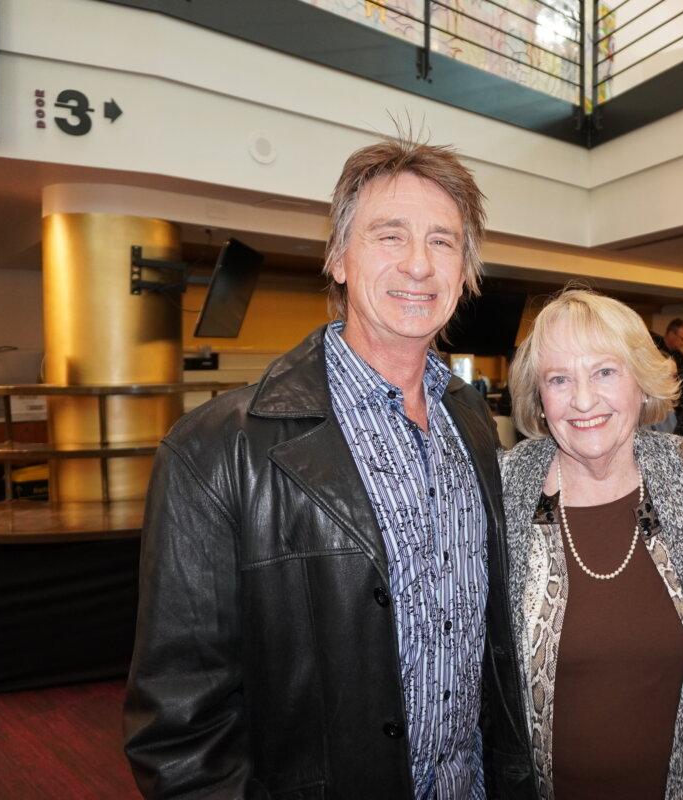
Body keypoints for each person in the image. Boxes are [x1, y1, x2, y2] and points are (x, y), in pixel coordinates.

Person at [123, 139, 539, 799]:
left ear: (465, 274)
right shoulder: (213, 452)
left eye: (443, 242)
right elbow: (178, 729)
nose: (417, 265)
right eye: (388, 235)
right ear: (338, 258)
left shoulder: (474, 424)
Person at [501, 289, 683, 800]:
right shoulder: (500, 496)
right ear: (539, 398)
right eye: (559, 380)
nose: (583, 400)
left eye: (605, 373)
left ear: (641, 384)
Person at [652, 317, 683, 435]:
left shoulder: (680, 357)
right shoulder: (654, 351)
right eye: (682, 338)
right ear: (671, 334)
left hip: (678, 407)